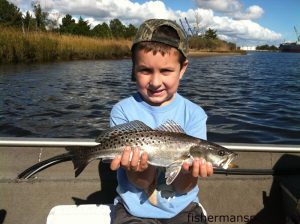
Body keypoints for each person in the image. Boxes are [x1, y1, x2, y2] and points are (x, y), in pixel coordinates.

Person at [109, 19, 213, 224]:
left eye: (166, 71)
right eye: (145, 70)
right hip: (132, 209)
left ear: (182, 69)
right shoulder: (122, 110)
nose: (155, 82)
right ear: (133, 68)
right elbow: (141, 183)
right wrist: (137, 168)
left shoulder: (194, 114)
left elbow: (183, 187)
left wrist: (192, 174)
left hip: (184, 207)